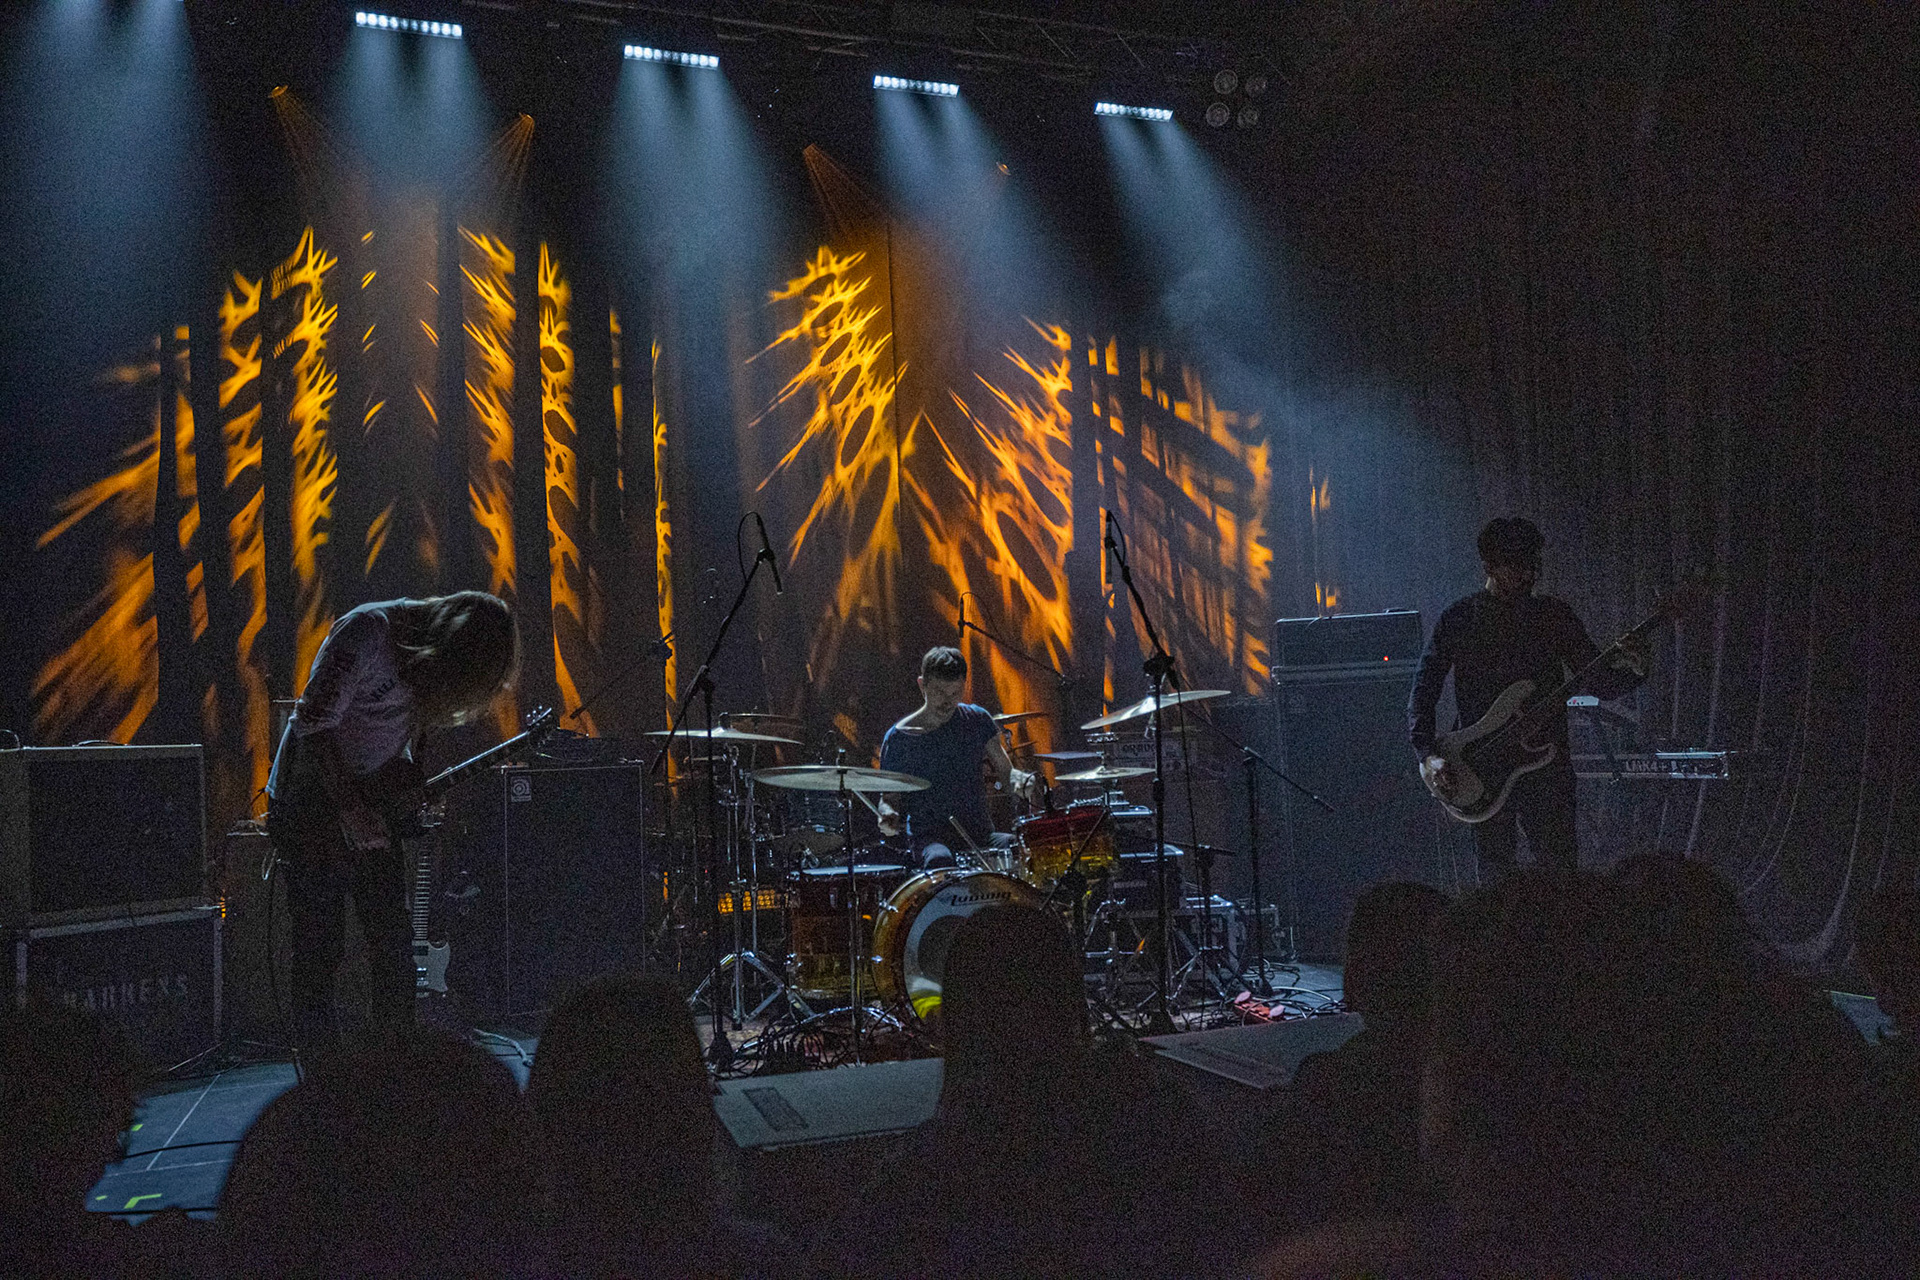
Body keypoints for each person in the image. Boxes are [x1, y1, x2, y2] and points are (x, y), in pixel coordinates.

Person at [265, 591, 518, 1050]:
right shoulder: (366, 633)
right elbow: (312, 725)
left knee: (394, 950)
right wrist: (351, 810)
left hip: (364, 802)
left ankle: (394, 1071)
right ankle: (325, 1082)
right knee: (320, 952)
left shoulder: (427, 669)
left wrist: (407, 784)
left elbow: (399, 741)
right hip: (311, 805)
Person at [1407, 517, 1646, 878]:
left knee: (1561, 876)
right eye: (1517, 568)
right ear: (1489, 567)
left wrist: (1639, 667)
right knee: (1494, 877)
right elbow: (1424, 690)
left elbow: (1600, 683)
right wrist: (1428, 755)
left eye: (1533, 566)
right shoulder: (1459, 619)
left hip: (1547, 767)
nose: (1528, 576)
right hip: (1480, 765)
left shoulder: (1553, 616)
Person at [875, 645, 1041, 869]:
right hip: (930, 840)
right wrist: (887, 815)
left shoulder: (977, 720)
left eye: (955, 693)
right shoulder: (899, 738)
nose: (948, 702)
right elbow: (889, 799)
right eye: (940, 693)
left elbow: (1007, 772)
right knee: (940, 860)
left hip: (980, 835)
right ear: (922, 685)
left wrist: (1021, 780)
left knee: (1022, 847)